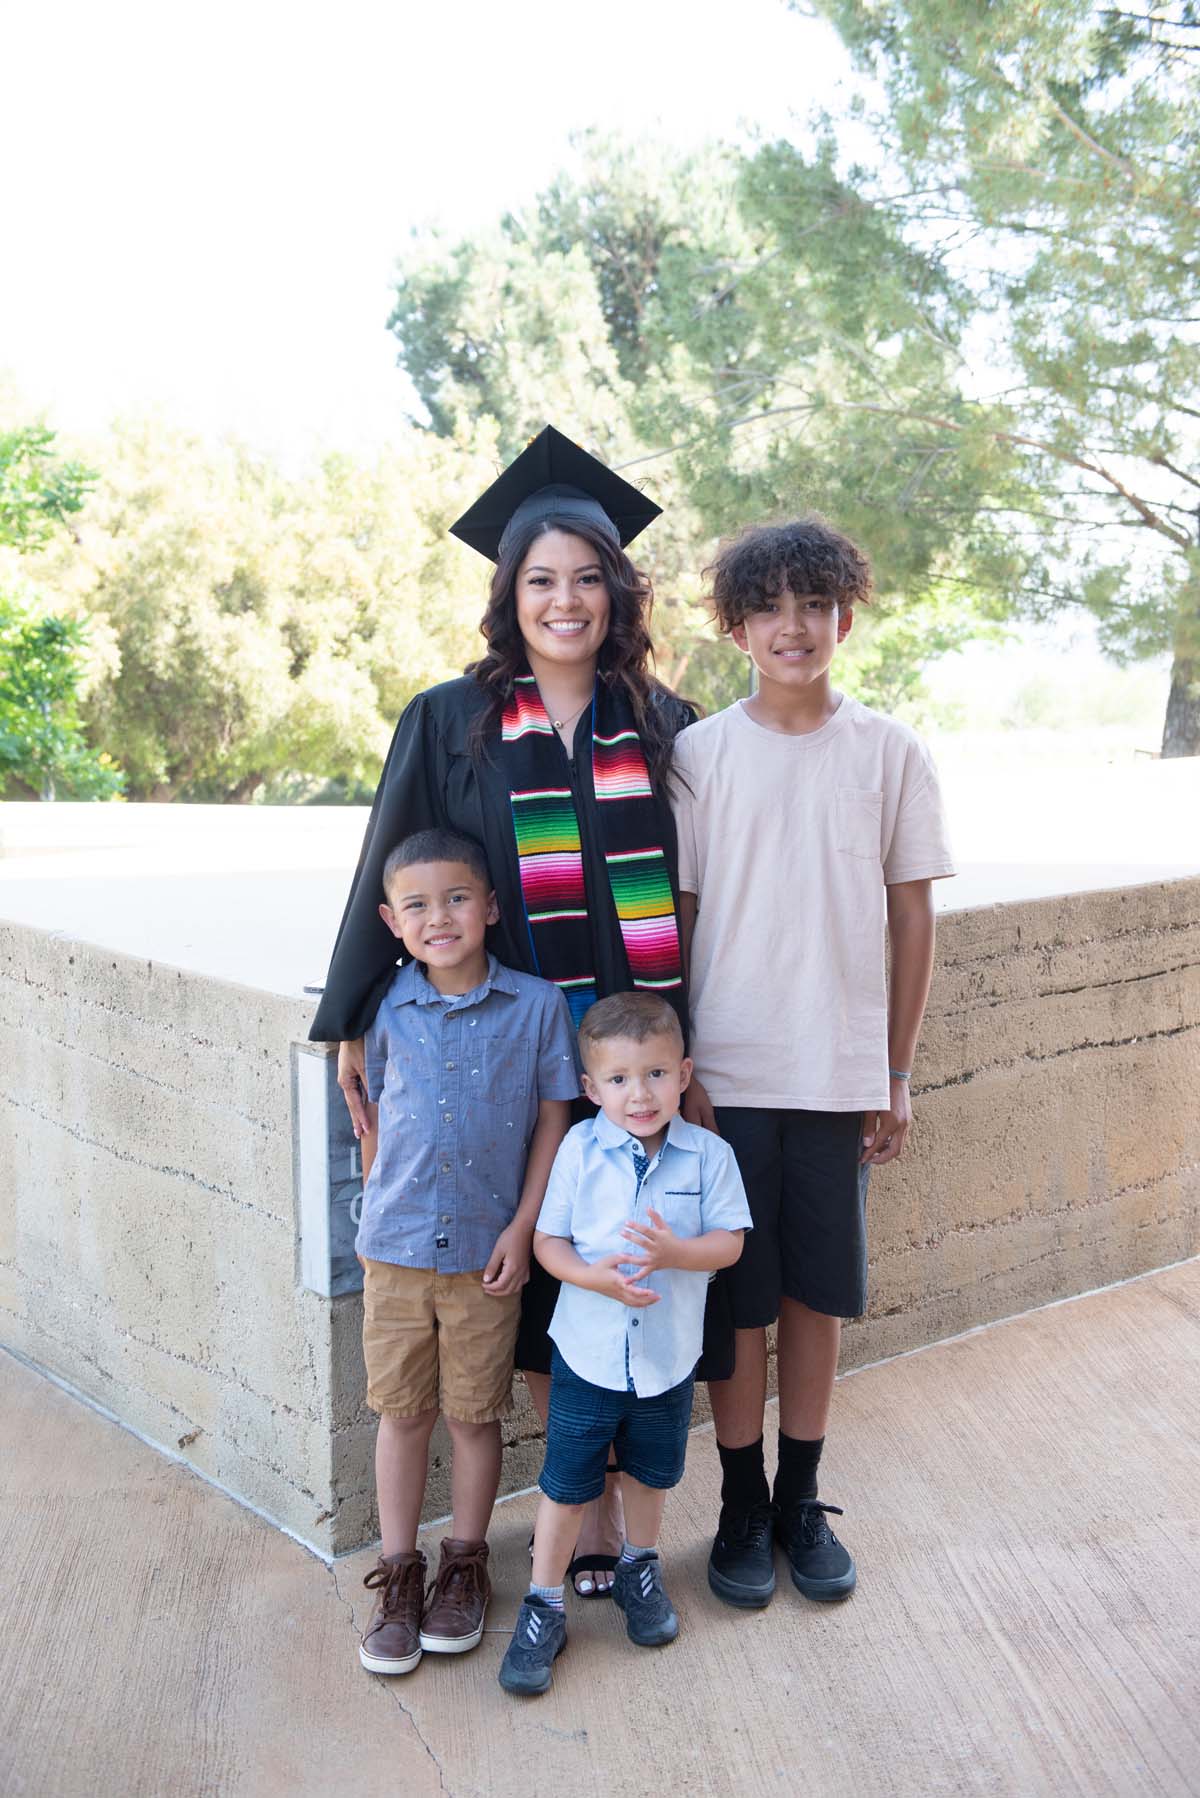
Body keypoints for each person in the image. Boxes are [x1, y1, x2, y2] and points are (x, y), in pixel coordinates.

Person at [309, 426, 704, 1595]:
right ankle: (560, 1523)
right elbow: (392, 867)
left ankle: (596, 1527)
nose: (565, 598)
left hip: (634, 1072)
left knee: (619, 1281)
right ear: (509, 593)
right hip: (513, 1071)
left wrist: (698, 1059)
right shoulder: (449, 719)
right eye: (541, 578)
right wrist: (350, 1019)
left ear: (618, 592)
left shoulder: (669, 725)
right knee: (537, 1299)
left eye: (588, 576)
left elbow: (701, 898)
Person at [672, 518, 955, 1610]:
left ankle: (801, 1498)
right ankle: (740, 1504)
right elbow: (681, 917)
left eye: (816, 604)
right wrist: (685, 1061)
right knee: (739, 1300)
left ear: (847, 613)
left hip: (840, 1077)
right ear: (737, 624)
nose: (796, 626)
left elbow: (913, 918)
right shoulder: (702, 754)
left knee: (814, 1300)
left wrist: (895, 1072)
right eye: (771, 607)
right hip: (728, 1080)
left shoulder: (889, 751)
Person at [355, 827, 579, 1676]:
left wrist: (524, 1229)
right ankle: (401, 1573)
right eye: (417, 904)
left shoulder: (536, 1005)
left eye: (456, 898)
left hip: (489, 1253)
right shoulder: (384, 1007)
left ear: (489, 906)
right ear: (392, 919)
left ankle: (464, 1565)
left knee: (473, 1414)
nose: (439, 917)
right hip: (397, 1250)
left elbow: (554, 1120)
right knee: (402, 1411)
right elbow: (374, 1104)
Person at [498, 992, 751, 1696]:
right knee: (567, 1482)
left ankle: (641, 1567)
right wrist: (590, 1278)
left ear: (685, 1073)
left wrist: (676, 1252)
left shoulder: (709, 1157)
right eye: (618, 1079)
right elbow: (549, 1242)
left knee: (649, 1472)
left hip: (666, 1359)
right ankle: (544, 1604)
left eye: (656, 1075)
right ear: (590, 1087)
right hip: (587, 1354)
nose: (638, 1094)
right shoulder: (579, 1150)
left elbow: (730, 1244)